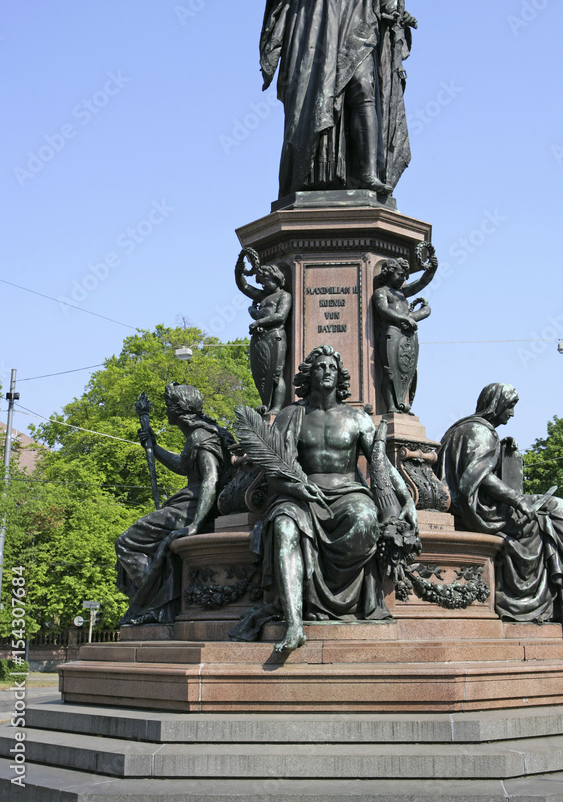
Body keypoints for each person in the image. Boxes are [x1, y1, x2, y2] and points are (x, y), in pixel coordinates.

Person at [230, 345, 417, 651]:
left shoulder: (358, 419)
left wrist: (406, 497)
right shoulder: (291, 415)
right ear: (309, 374)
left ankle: (343, 601)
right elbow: (274, 467)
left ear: (340, 375)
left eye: (332, 367)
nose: (326, 371)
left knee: (365, 519)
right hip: (299, 495)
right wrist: (297, 489)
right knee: (283, 528)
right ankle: (293, 624)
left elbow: (380, 463)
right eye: (319, 366)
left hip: (347, 494)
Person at [261, 0, 417, 199]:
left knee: (364, 94)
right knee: (306, 105)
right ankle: (302, 177)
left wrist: (395, 11)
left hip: (357, 37)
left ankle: (369, 174)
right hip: (313, 41)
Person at [437, 383, 563, 624]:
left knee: (548, 516)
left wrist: (502, 449)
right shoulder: (480, 431)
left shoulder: (469, 429)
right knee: (554, 510)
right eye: (510, 406)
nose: (512, 414)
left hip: (471, 508)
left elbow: (474, 467)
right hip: (480, 513)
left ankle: (551, 607)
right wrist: (517, 500)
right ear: (496, 404)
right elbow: (479, 478)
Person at [115, 383, 234, 625]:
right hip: (189, 501)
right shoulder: (197, 435)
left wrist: (196, 524)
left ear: (179, 409)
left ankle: (153, 602)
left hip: (194, 505)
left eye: (168, 405)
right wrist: (154, 447)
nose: (165, 410)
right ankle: (155, 602)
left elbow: (210, 479)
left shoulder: (202, 436)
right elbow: (183, 465)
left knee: (127, 541)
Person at [372, 248, 437, 413]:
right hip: (390, 335)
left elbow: (421, 283)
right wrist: (403, 319)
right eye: (400, 274)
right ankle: (391, 406)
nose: (403, 279)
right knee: (390, 372)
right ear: (389, 272)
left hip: (406, 336)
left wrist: (432, 269)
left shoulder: (402, 293)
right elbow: (383, 309)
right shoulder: (381, 292)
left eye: (405, 276)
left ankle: (403, 403)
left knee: (407, 371)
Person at [234, 249, 292, 416]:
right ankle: (266, 403)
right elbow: (243, 286)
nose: (263, 285)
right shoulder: (263, 297)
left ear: (276, 279)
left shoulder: (284, 295)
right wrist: (238, 271)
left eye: (266, 281)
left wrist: (258, 321)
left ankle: (276, 408)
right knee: (261, 375)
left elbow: (280, 316)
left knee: (275, 374)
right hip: (260, 338)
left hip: (275, 336)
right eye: (261, 282)